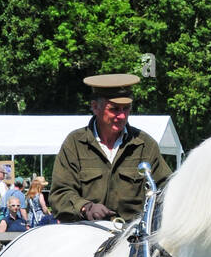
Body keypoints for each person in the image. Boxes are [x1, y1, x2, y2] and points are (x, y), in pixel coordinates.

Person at [49, 73, 171, 222]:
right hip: (84, 233)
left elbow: (167, 189)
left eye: (126, 109)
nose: (121, 116)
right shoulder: (75, 143)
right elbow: (59, 194)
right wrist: (85, 207)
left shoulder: (145, 145)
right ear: (95, 107)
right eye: (114, 109)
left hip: (132, 237)